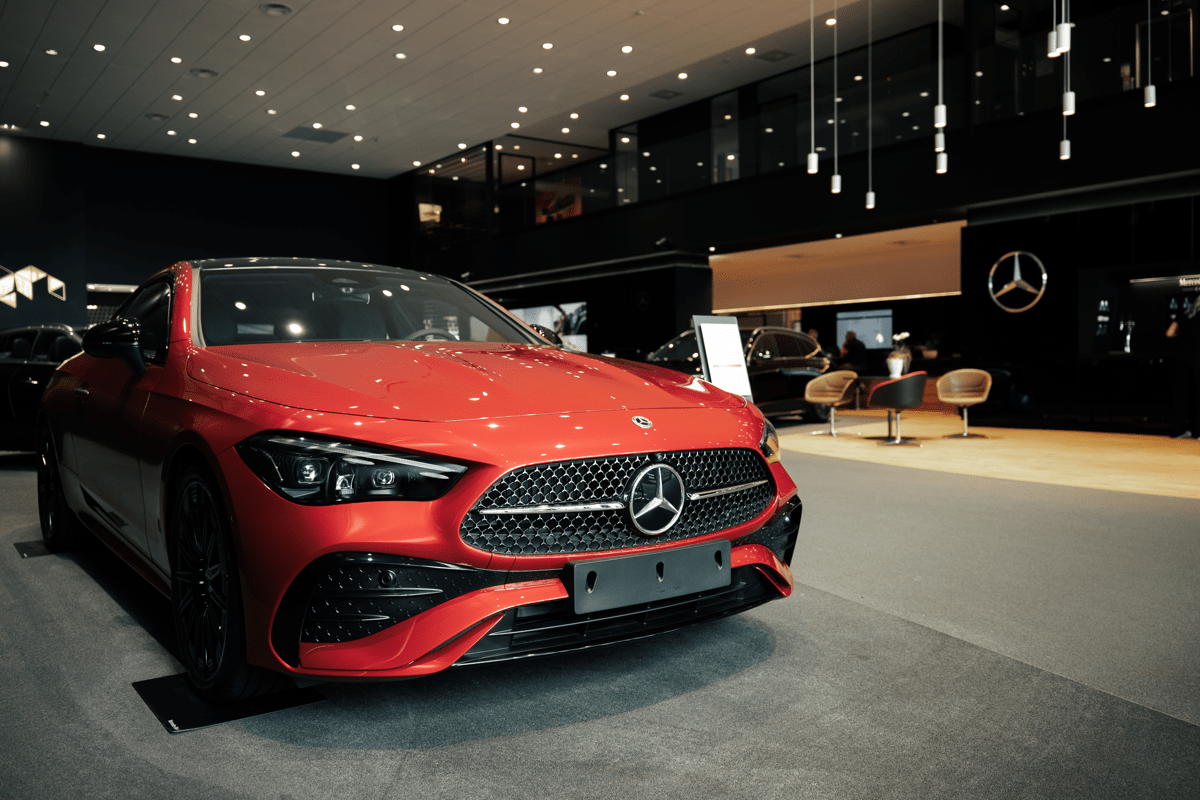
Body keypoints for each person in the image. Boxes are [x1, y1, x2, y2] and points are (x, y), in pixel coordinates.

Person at [1166, 295, 1200, 439]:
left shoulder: (1185, 312)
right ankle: (1198, 431)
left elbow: (1169, 333)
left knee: (1182, 394)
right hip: (1198, 355)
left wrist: (1184, 335)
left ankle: (1178, 430)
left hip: (1181, 356)